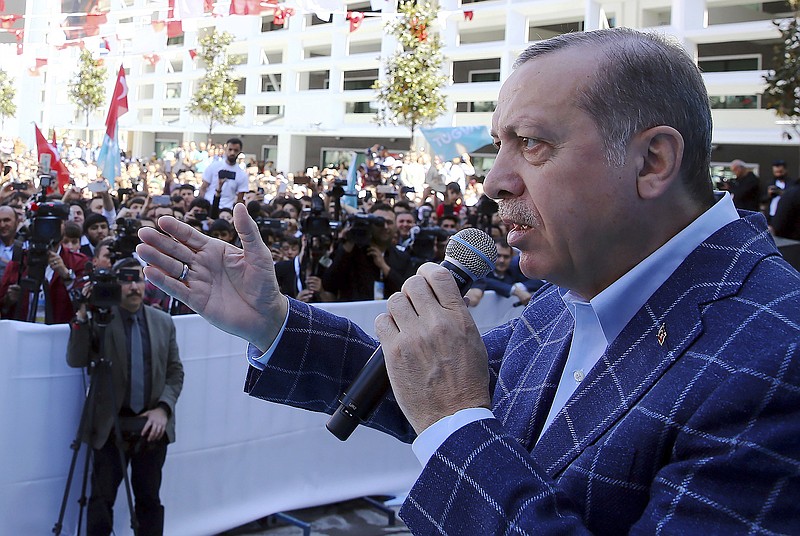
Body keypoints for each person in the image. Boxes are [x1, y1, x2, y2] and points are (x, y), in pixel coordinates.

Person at [137, 28, 800, 534]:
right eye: (498, 146)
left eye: (532, 144)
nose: (493, 182)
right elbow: (430, 388)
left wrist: (456, 425)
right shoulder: (573, 296)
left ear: (653, 160)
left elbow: (454, 411)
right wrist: (274, 322)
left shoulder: (779, 355)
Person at [67, 258, 184, 536]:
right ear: (114, 285)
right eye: (126, 280)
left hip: (151, 427)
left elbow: (175, 371)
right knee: (100, 500)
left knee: (149, 501)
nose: (133, 286)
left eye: (138, 279)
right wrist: (82, 316)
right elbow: (76, 359)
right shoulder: (101, 321)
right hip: (109, 428)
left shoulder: (163, 322)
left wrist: (163, 409)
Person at [198, 138, 249, 210]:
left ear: (240, 152)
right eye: (230, 149)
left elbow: (240, 199)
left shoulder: (242, 174)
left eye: (235, 150)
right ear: (225, 149)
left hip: (226, 210)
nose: (232, 153)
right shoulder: (213, 166)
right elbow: (203, 188)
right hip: (209, 205)